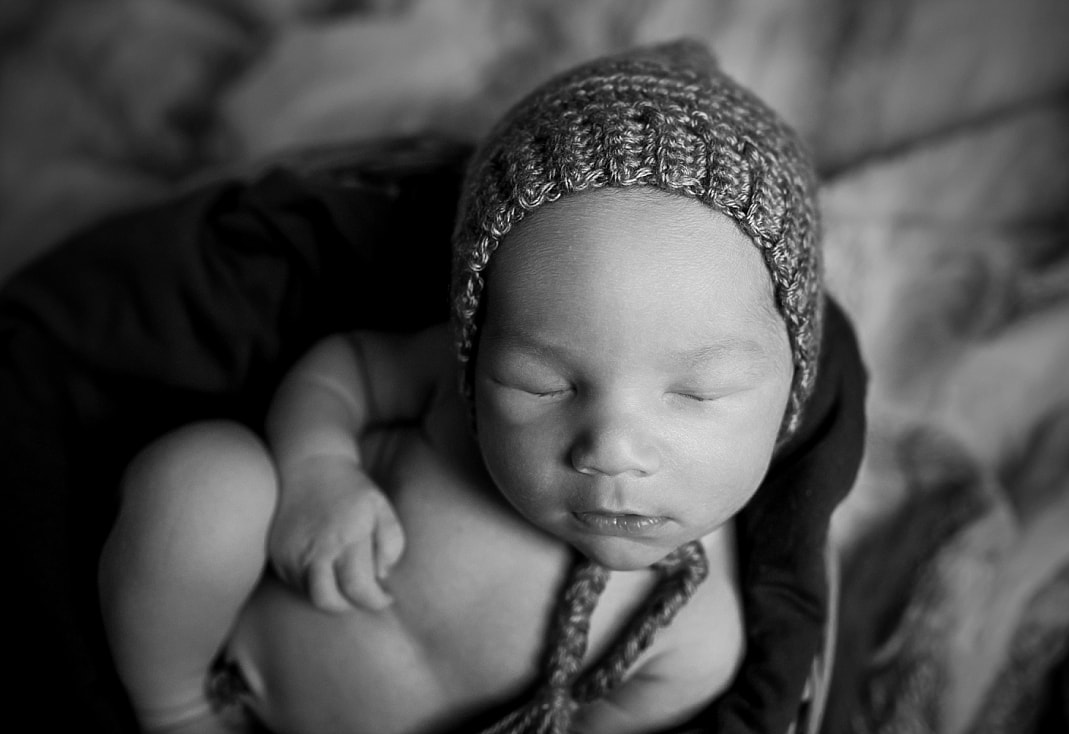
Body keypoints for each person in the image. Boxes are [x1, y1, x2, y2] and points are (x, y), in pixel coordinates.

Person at [98, 39, 862, 734]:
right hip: (231, 666)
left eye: (697, 393)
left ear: (792, 386)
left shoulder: (694, 643)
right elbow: (344, 371)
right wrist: (315, 473)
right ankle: (170, 707)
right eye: (540, 383)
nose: (611, 448)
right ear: (475, 344)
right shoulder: (444, 392)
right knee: (202, 481)